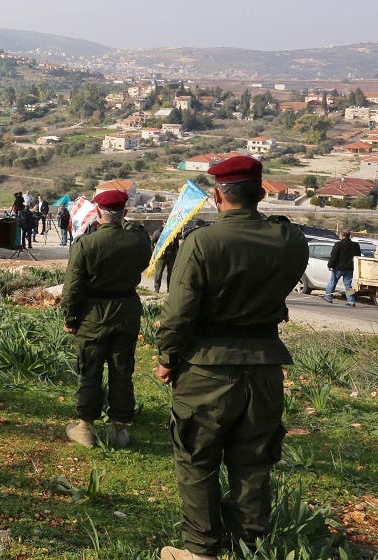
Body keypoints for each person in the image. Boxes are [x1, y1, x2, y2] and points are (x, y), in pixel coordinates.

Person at [154, 155, 307, 560]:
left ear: (218, 196)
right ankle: (247, 550)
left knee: (197, 461)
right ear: (260, 193)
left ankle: (202, 551)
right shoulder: (290, 240)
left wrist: (168, 357)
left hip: (206, 368)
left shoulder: (202, 242)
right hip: (265, 366)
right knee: (254, 465)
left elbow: (179, 311)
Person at [61, 190, 151, 448]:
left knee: (89, 371)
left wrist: (70, 317)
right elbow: (143, 260)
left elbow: (73, 287)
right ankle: (119, 429)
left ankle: (86, 428)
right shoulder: (138, 241)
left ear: (98, 213)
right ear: (124, 212)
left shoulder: (86, 244)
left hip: (93, 315)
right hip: (126, 311)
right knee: (122, 370)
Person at [324, 229, 362, 306]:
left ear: (342, 236)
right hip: (350, 268)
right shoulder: (355, 245)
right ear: (349, 236)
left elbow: (334, 256)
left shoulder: (338, 244)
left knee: (333, 282)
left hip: (338, 268)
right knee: (348, 285)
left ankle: (328, 297)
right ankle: (351, 301)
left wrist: (330, 265)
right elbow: (358, 256)